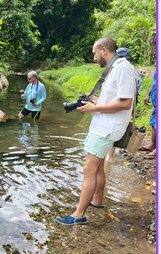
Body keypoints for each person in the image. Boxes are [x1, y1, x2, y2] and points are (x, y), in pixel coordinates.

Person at [56, 37, 134, 226]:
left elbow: (126, 103)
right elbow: (115, 98)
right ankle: (97, 201)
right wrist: (97, 101)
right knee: (97, 167)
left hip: (107, 128)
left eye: (94, 53)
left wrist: (95, 109)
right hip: (103, 125)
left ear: (104, 50)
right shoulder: (115, 68)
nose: (94, 57)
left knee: (88, 169)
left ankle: (78, 215)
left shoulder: (123, 68)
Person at [141, 71, 157, 158]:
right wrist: (148, 94)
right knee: (153, 123)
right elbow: (155, 81)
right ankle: (152, 145)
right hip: (155, 102)